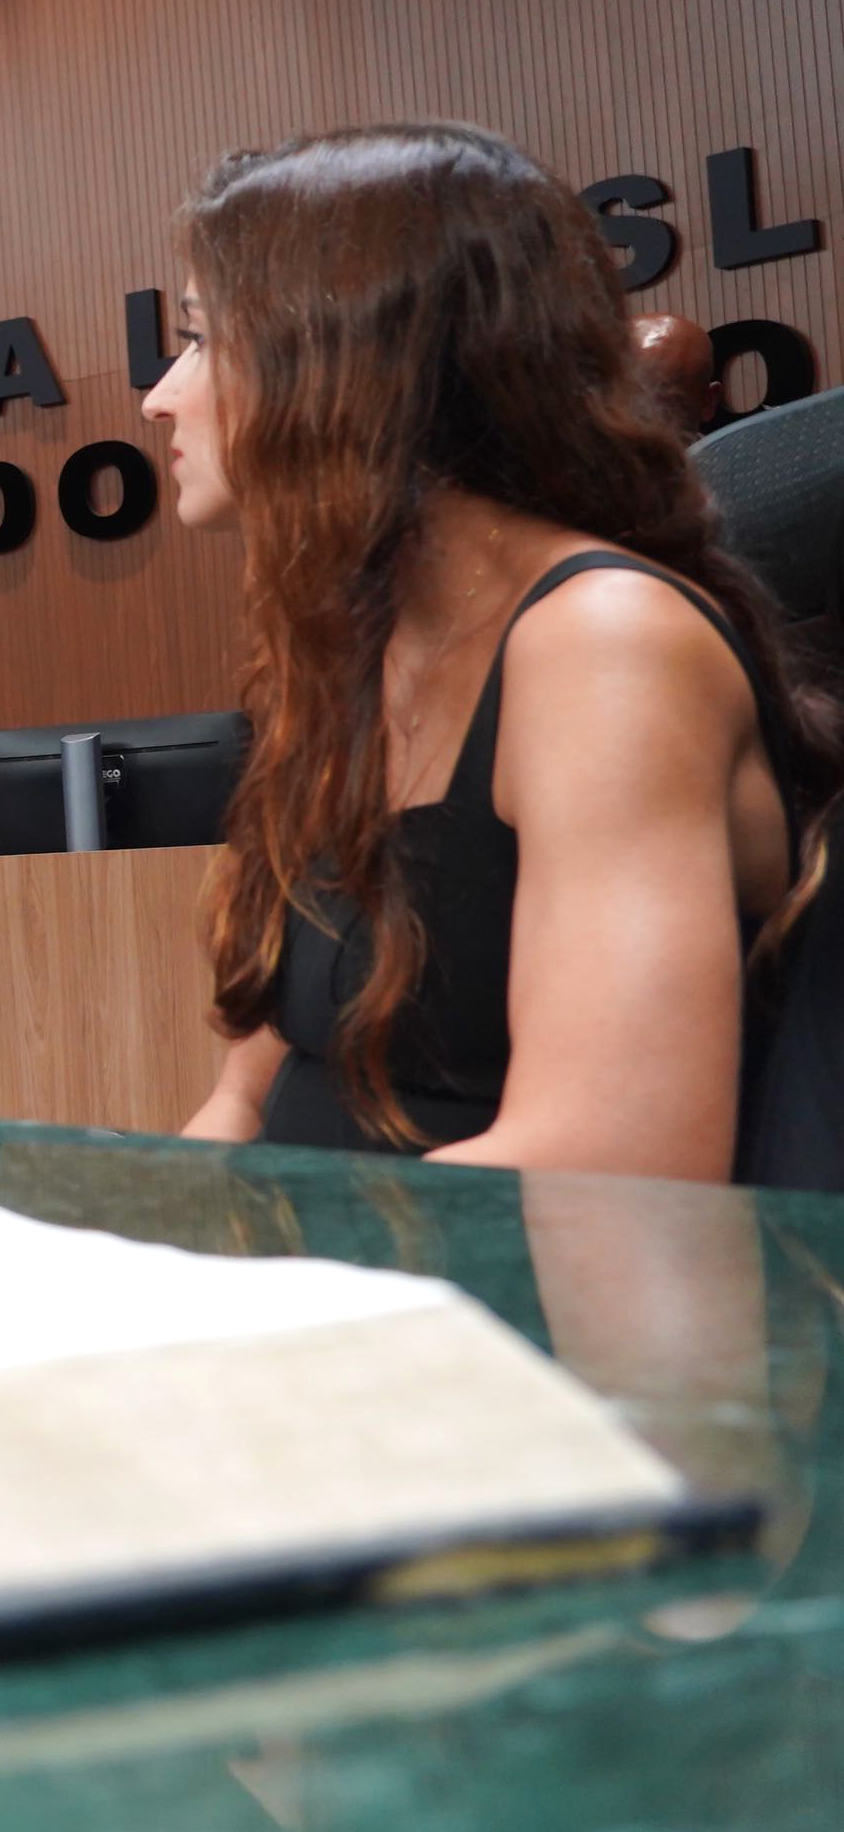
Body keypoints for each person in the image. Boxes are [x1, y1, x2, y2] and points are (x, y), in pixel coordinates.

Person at [143, 122, 836, 1177]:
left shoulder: (606, 643)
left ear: (345, 364)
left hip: (503, 1277)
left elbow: (611, 1154)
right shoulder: (345, 652)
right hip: (332, 1259)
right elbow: (241, 1103)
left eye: (201, 341)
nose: (159, 396)